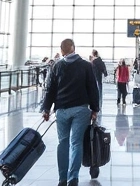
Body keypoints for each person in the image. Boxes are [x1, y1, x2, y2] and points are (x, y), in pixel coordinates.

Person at [40, 38, 99, 186]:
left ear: (62, 51)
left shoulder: (57, 66)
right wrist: (95, 109)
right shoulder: (86, 65)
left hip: (61, 110)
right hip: (80, 109)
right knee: (76, 143)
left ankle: (62, 179)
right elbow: (92, 87)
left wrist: (46, 109)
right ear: (74, 48)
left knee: (63, 143)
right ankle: (73, 178)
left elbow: (50, 89)